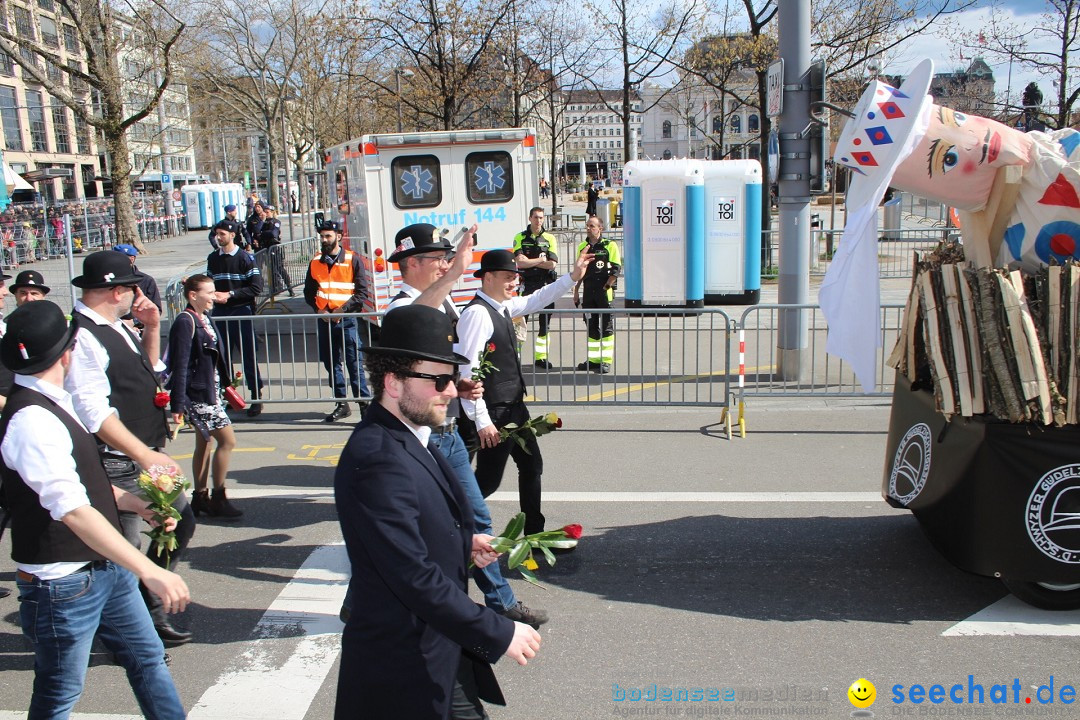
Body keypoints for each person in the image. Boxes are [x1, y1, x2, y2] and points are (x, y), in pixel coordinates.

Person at [334, 304, 542, 720]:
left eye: (454, 378)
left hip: (438, 648)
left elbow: (413, 530)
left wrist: (463, 542)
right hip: (404, 664)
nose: (453, 390)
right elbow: (411, 575)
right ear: (393, 383)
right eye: (440, 379)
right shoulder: (378, 457)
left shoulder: (409, 437)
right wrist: (497, 630)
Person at [0, 300, 190, 720]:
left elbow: (87, 485)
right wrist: (149, 569)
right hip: (62, 583)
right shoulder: (32, 419)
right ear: (65, 353)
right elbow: (72, 510)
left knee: (148, 660)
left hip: (101, 569)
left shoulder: (52, 401)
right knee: (60, 693)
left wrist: (138, 505)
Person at [385, 221, 549, 629]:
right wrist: (458, 272)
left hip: (448, 429)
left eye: (445, 258)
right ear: (411, 264)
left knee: (473, 517)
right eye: (438, 259)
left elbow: (440, 361)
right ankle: (379, 595)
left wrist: (458, 388)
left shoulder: (444, 305)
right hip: (419, 437)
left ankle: (498, 602)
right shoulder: (401, 309)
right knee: (413, 522)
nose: (444, 265)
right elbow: (410, 359)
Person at [66, 250, 195, 647]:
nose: (139, 295)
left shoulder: (115, 325)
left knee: (179, 523)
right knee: (121, 554)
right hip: (115, 462)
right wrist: (145, 454)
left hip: (140, 455)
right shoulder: (84, 334)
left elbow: (146, 373)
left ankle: (146, 608)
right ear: (116, 291)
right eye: (133, 288)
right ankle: (135, 637)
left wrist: (152, 328)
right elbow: (92, 412)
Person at [457, 248, 592, 535]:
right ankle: (452, 526)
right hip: (495, 412)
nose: (513, 283)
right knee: (488, 481)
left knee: (532, 466)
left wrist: (571, 277)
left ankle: (533, 531)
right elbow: (467, 375)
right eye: (507, 277)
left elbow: (535, 299)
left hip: (514, 408)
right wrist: (482, 422)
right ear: (488, 277)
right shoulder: (478, 315)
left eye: (515, 278)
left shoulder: (501, 306)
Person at [168, 274, 242, 519]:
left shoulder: (205, 318)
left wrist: (228, 383)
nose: (214, 296)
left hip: (211, 391)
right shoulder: (185, 321)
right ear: (193, 295)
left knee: (205, 442)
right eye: (209, 293)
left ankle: (200, 497)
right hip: (199, 394)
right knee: (227, 440)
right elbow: (179, 365)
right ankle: (218, 496)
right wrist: (178, 404)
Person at [302, 220, 370, 422]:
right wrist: (319, 309)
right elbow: (309, 292)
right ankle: (341, 403)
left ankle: (364, 404)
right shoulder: (316, 262)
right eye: (322, 236)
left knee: (353, 362)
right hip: (325, 319)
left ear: (338, 236)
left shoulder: (352, 260)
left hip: (346, 319)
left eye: (328, 236)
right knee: (331, 363)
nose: (324, 240)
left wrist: (343, 310)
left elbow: (362, 292)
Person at [207, 218, 265, 418]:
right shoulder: (213, 258)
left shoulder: (245, 258)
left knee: (248, 355)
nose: (218, 237)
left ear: (232, 235)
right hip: (220, 314)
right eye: (217, 234)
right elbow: (210, 282)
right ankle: (230, 395)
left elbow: (256, 287)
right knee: (223, 358)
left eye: (222, 234)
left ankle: (256, 396)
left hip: (241, 311)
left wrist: (230, 295)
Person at [513, 207, 560, 369]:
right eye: (535, 217)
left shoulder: (550, 238)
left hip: (545, 285)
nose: (538, 221)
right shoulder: (520, 237)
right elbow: (519, 262)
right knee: (519, 323)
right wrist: (540, 260)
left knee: (544, 325)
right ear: (530, 218)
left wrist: (530, 261)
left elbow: (552, 264)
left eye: (541, 218)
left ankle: (541, 358)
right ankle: (515, 358)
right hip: (526, 286)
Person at [574, 216, 621, 374]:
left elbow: (616, 269)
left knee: (607, 327)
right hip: (588, 293)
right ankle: (594, 360)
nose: (588, 228)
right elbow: (579, 272)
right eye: (587, 226)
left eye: (592, 226)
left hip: (604, 293)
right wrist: (575, 292)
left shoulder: (610, 245)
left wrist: (607, 286)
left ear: (600, 228)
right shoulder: (583, 246)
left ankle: (606, 361)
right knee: (591, 326)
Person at [256, 204, 293, 296]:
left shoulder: (275, 222)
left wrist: (262, 234)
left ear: (272, 213)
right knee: (270, 269)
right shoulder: (262, 222)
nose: (265, 214)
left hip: (274, 248)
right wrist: (262, 223)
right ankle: (275, 288)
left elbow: (274, 233)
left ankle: (289, 288)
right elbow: (256, 231)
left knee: (279, 268)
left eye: (267, 212)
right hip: (265, 248)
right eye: (264, 212)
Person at [113, 244, 163, 313]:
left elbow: (156, 310)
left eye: (121, 259)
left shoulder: (146, 280)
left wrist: (136, 321)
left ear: (132, 259)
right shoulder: (108, 279)